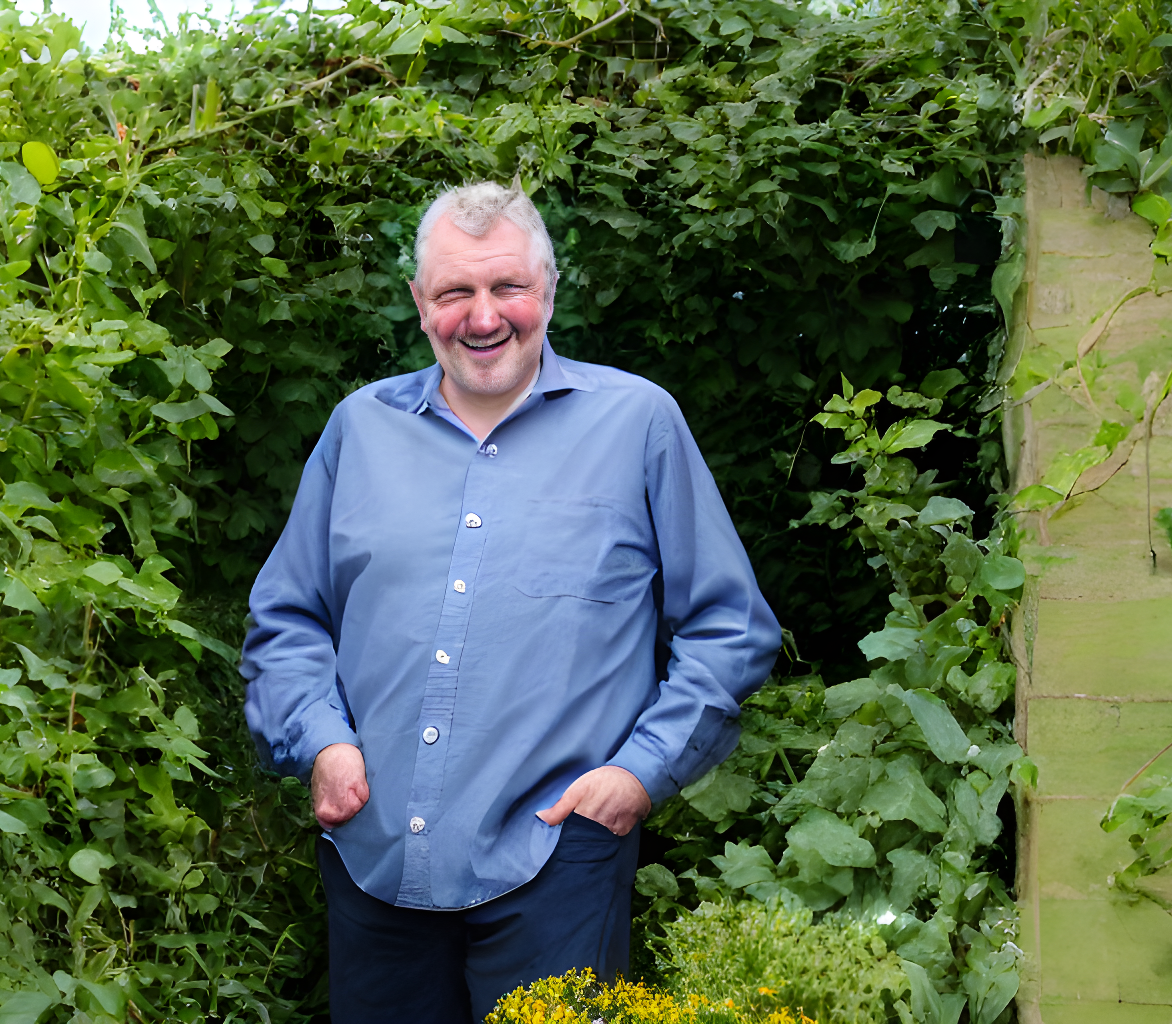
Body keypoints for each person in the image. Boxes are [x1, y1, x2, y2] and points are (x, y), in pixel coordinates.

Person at [239, 181, 782, 1023]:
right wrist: (320, 741)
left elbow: (730, 627)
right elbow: (287, 619)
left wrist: (639, 775)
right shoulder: (359, 429)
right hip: (373, 856)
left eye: (507, 288)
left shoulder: (639, 424)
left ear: (549, 291)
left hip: (557, 866)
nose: (483, 317)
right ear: (421, 304)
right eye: (455, 291)